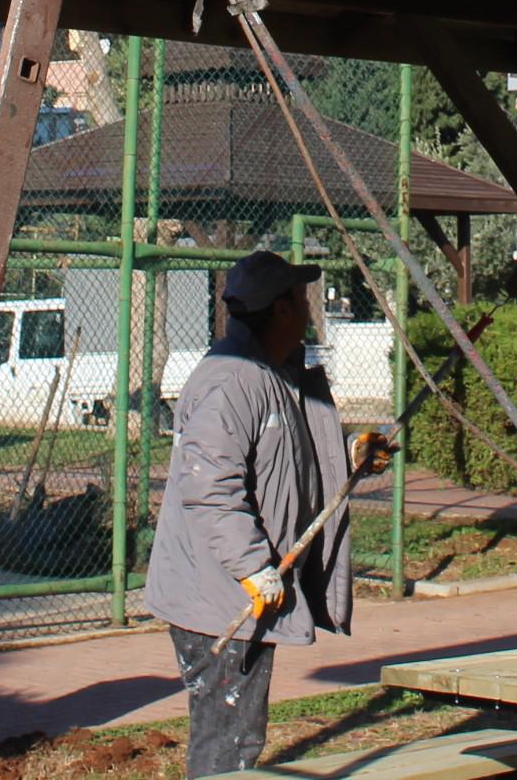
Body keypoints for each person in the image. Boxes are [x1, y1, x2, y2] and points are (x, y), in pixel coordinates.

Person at [148, 250, 360, 778]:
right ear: (282, 308)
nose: (310, 306)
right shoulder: (232, 380)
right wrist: (251, 567)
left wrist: (355, 454)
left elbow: (297, 456)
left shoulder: (276, 374)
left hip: (234, 591)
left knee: (238, 737)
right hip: (217, 598)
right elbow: (210, 488)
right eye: (302, 296)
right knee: (228, 744)